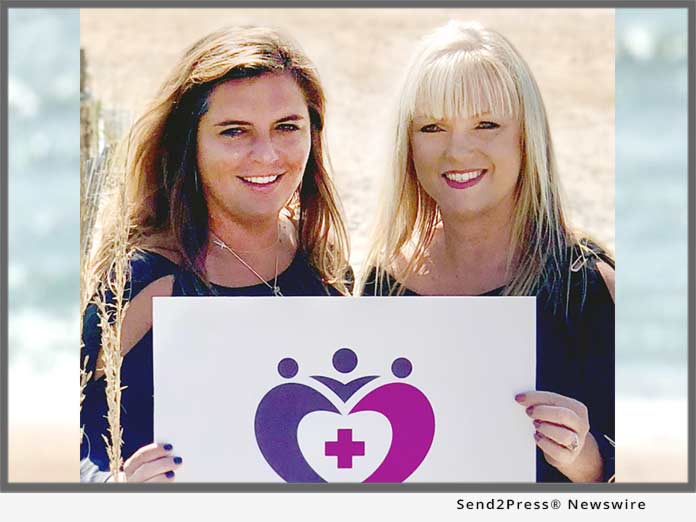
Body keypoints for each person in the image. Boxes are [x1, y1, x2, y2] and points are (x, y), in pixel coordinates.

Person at [80, 26, 352, 483]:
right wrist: (115, 490)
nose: (266, 155)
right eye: (234, 131)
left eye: (287, 127)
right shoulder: (145, 280)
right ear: (190, 143)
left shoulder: (324, 265)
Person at [359, 20, 614, 483]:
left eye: (486, 124)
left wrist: (588, 462)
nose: (458, 150)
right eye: (432, 126)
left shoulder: (593, 289)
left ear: (526, 137)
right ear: (407, 144)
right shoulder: (383, 284)